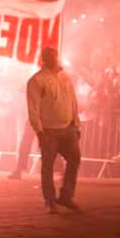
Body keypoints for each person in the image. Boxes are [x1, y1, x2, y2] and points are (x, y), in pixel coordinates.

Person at [27, 46, 81, 213]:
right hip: (49, 131)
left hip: (68, 128)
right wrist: (39, 131)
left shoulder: (65, 77)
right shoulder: (37, 80)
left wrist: (76, 123)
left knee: (75, 159)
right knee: (48, 166)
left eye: (54, 55)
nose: (52, 58)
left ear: (57, 57)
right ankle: (50, 200)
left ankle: (66, 196)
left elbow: (73, 101)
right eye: (48, 55)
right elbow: (33, 108)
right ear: (43, 58)